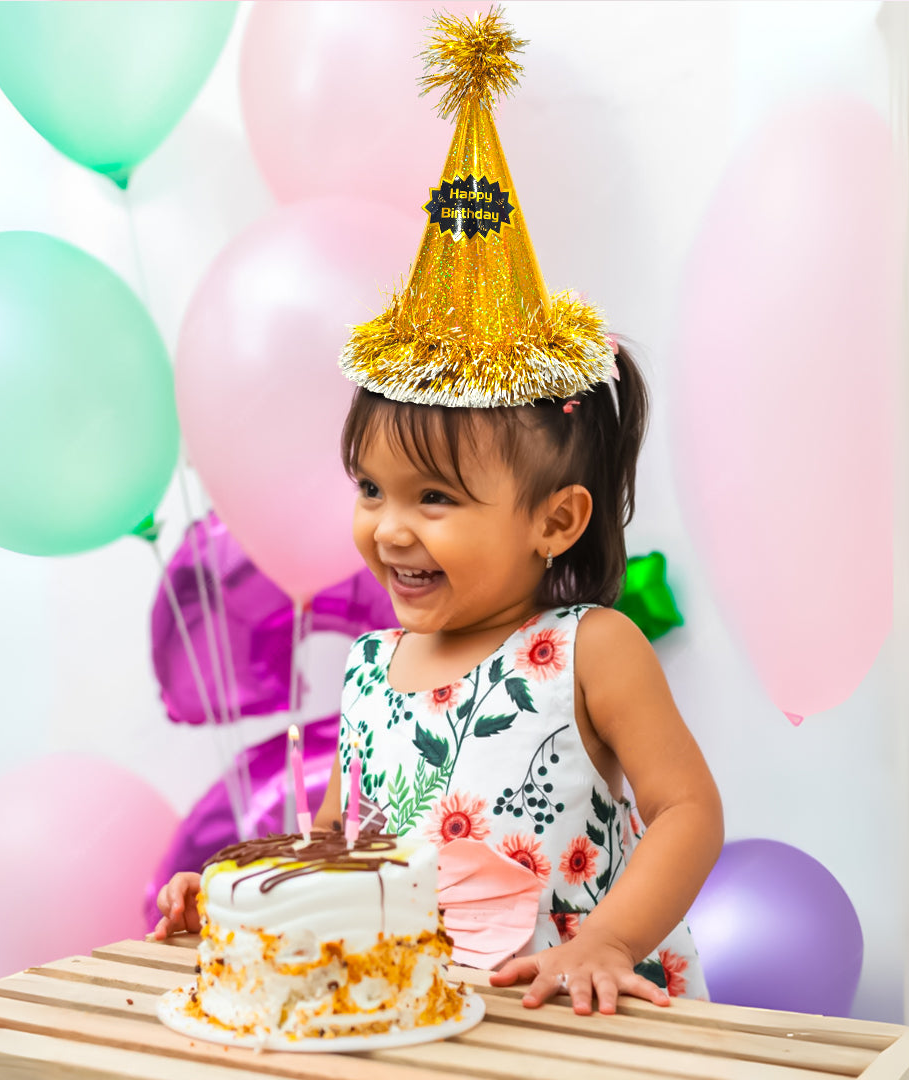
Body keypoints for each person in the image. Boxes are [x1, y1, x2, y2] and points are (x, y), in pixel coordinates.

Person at [154, 7, 723, 1017]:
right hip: (437, 1022)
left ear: (556, 521)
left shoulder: (587, 649)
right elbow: (345, 852)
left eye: (436, 499)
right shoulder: (372, 671)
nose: (390, 527)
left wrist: (607, 942)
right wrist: (242, 899)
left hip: (585, 1021)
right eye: (372, 489)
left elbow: (686, 809)